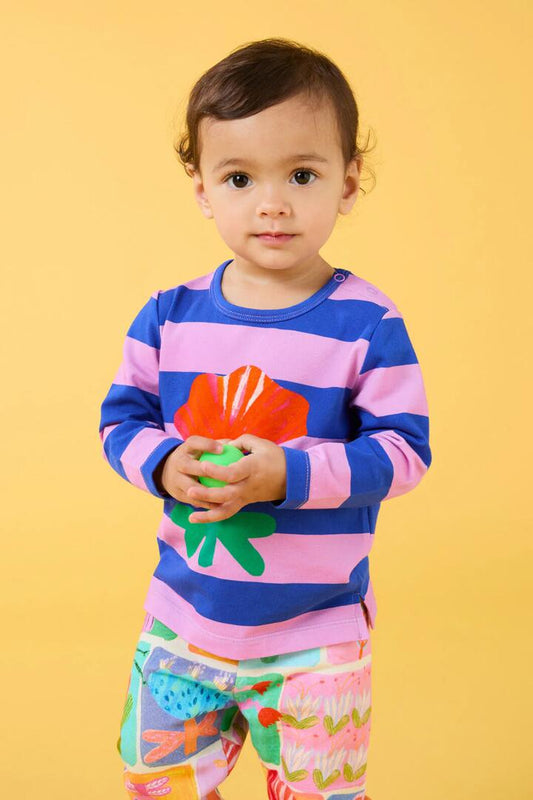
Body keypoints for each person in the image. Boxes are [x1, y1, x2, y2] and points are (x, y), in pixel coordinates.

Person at [99, 37, 431, 800]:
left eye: (302, 175)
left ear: (348, 183)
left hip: (315, 636)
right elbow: (121, 419)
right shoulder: (167, 317)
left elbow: (404, 452)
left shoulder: (366, 324)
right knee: (161, 785)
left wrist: (291, 471)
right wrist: (159, 461)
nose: (272, 203)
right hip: (184, 620)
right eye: (241, 178)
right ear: (202, 187)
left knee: (319, 794)